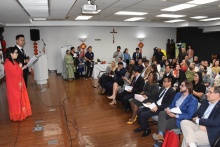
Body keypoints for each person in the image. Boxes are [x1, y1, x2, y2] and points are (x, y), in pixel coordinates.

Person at [4, 47, 32, 121]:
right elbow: (14, 74)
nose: (17, 54)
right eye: (16, 53)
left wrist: (21, 68)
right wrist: (20, 68)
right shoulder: (7, 63)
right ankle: (17, 115)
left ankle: (24, 113)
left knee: (21, 98)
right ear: (11, 54)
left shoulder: (14, 61)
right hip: (13, 86)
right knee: (16, 100)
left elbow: (17, 71)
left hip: (18, 84)